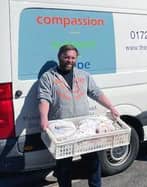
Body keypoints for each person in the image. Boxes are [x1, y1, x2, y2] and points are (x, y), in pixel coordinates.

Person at [38, 44, 119, 187]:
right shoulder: (48, 77)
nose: (69, 60)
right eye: (66, 57)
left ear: (76, 59)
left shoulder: (84, 75)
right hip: (62, 129)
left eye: (72, 58)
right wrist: (44, 118)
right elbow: (44, 98)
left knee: (93, 162)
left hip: (84, 126)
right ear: (60, 57)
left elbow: (96, 93)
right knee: (63, 166)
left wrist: (111, 107)